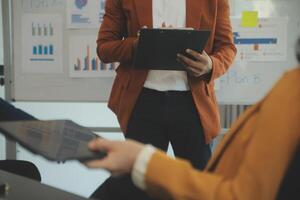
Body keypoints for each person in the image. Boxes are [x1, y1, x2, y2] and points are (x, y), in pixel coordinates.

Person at [86, 39, 300, 199]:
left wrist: (141, 159)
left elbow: (237, 194)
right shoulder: (290, 89)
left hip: (194, 103)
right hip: (143, 103)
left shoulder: (291, 94)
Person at [95, 0, 236, 198]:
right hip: (142, 102)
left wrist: (211, 65)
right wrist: (139, 44)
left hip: (193, 105)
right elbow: (104, 48)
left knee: (199, 184)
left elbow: (227, 47)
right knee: (139, 184)